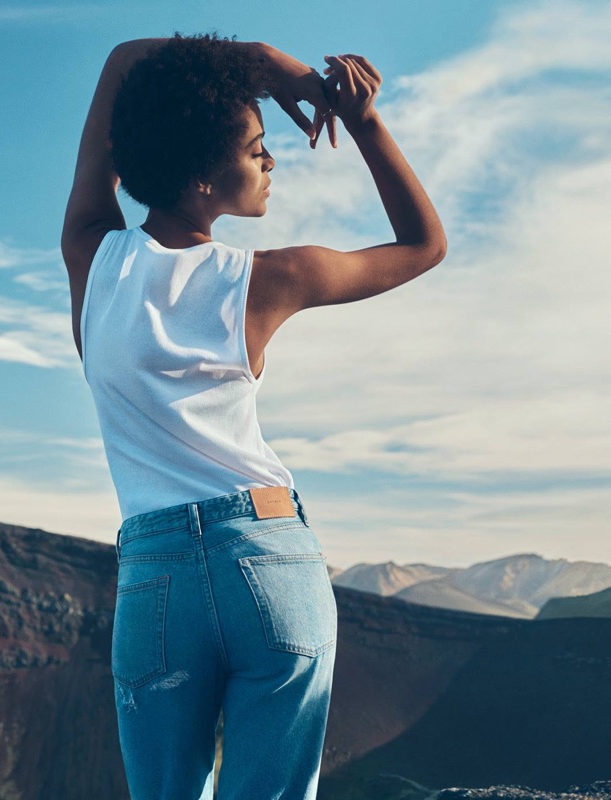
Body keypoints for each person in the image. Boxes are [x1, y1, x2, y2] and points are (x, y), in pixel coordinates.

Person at [61, 32, 446, 800]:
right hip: (269, 558)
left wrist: (262, 68)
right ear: (206, 179)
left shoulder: (91, 259)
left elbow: (118, 64)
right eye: (256, 147)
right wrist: (356, 116)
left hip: (157, 579)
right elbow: (423, 244)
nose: (271, 160)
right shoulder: (271, 280)